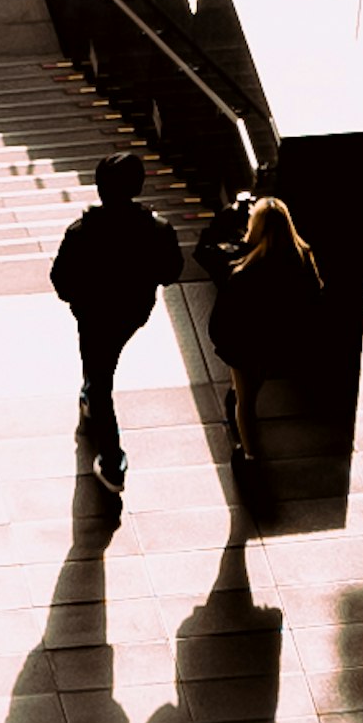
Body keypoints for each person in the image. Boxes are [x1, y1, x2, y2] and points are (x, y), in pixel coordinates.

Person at [48, 151, 179, 494]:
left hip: (93, 314)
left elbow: (61, 280)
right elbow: (171, 272)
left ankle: (112, 460)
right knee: (102, 362)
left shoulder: (82, 231)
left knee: (100, 374)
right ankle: (92, 392)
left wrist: (81, 299)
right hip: (133, 312)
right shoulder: (158, 229)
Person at [197, 179, 324, 478]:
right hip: (278, 341)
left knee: (245, 401)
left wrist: (229, 213)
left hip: (245, 345)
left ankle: (250, 455)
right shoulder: (302, 256)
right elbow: (313, 295)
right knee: (253, 386)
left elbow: (204, 252)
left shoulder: (245, 269)